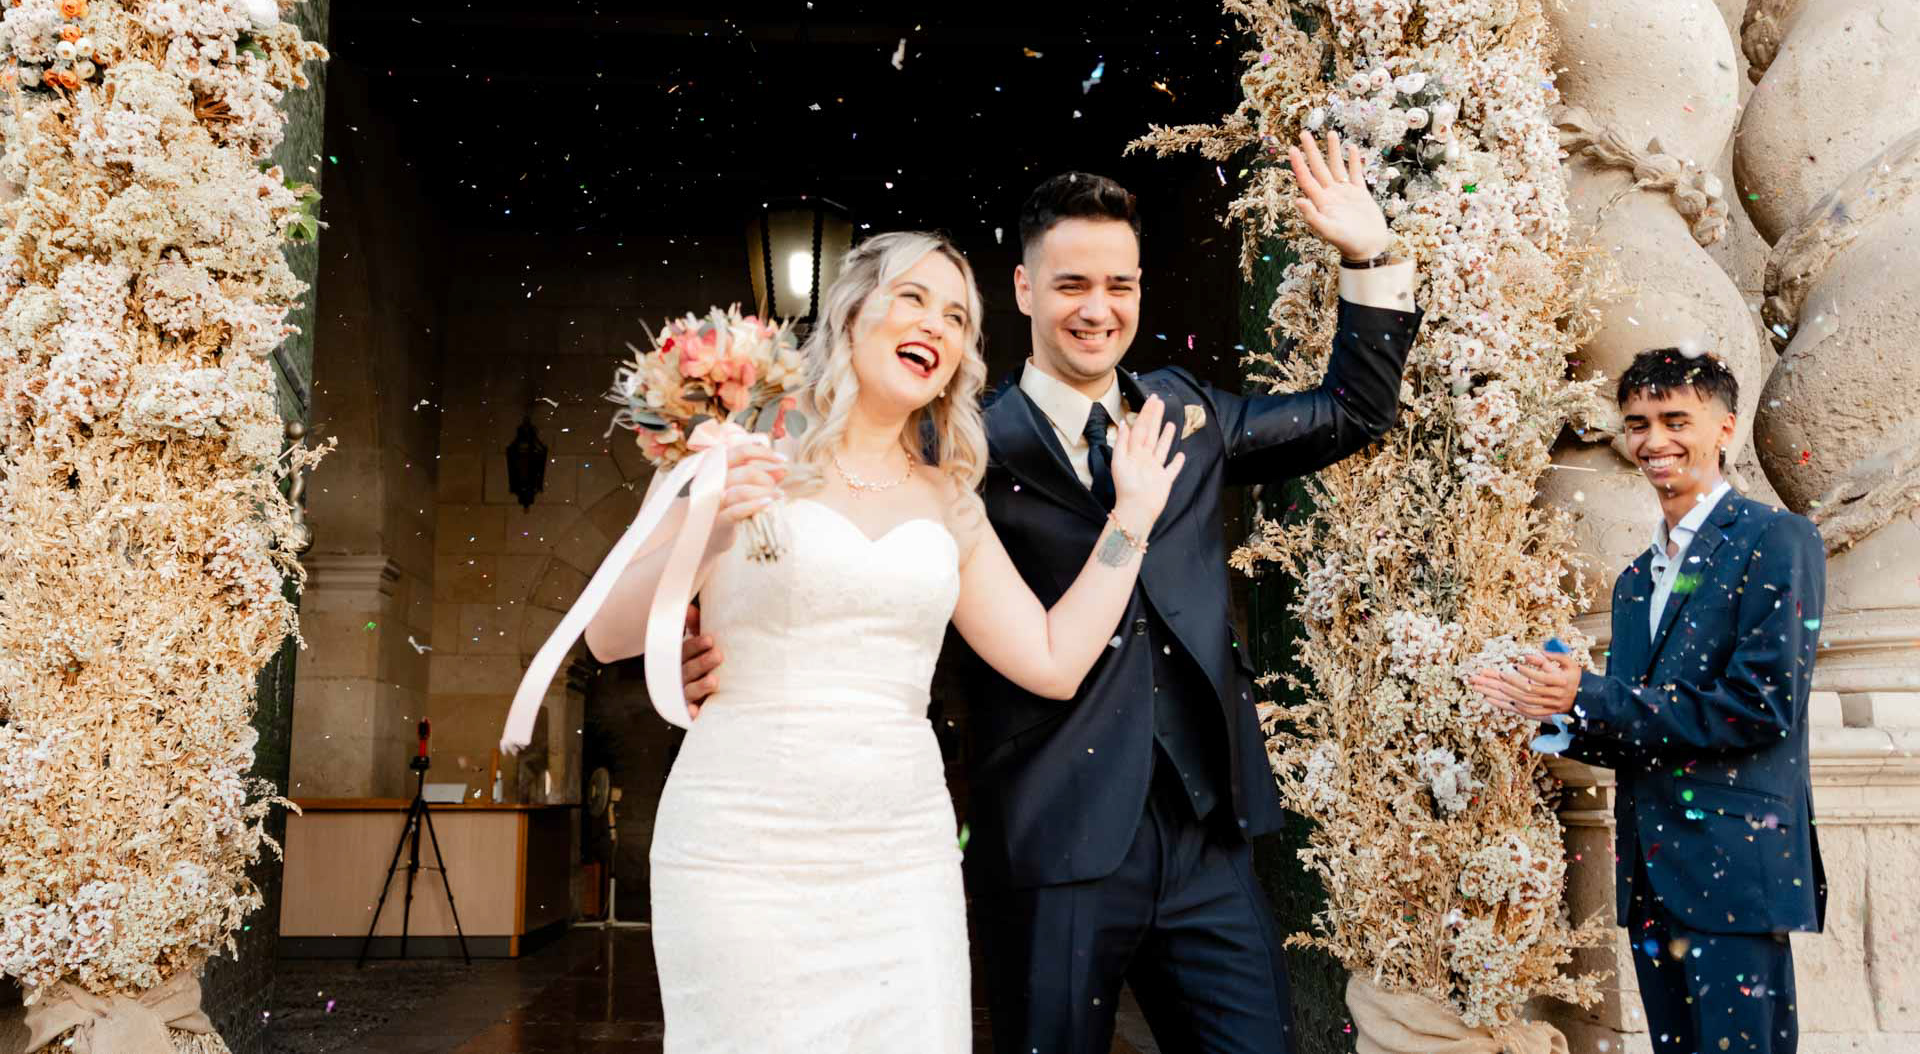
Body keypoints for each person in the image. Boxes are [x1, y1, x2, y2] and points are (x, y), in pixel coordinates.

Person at [682, 128, 1421, 1053]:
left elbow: (1354, 410)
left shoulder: (1188, 413)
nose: (1097, 310)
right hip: (1045, 834)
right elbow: (842, 549)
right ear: (1026, 290)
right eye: (1071, 284)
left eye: (1119, 285)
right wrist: (710, 634)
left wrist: (1370, 254)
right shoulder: (955, 446)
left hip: (1204, 834)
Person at [582, 229, 1188, 1053]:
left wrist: (1132, 521)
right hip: (741, 839)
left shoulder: (949, 496)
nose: (935, 326)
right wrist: (709, 522)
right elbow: (612, 635)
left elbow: (1053, 662)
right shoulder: (736, 444)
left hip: (901, 854)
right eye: (913, 299)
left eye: (957, 317)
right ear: (853, 310)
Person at [1472, 347, 1827, 1054]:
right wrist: (1554, 711)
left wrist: (1593, 692)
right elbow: (1638, 721)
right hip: (1653, 874)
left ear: (1726, 428)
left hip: (1736, 869)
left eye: (1675, 420)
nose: (1653, 441)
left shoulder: (1777, 540)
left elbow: (1760, 706)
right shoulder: (1637, 578)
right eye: (1637, 423)